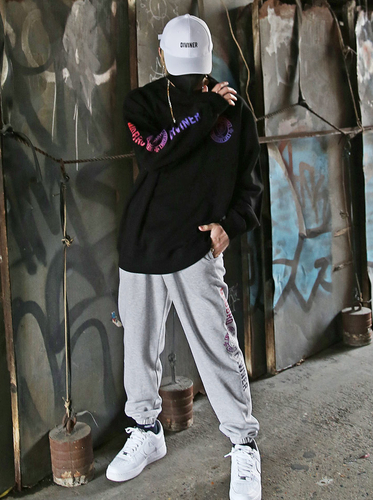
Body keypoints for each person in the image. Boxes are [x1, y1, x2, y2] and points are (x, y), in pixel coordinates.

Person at [106, 14, 263, 500]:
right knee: (139, 344)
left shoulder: (235, 111)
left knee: (217, 345)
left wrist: (231, 225)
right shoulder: (143, 103)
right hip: (142, 244)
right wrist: (204, 107)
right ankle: (146, 430)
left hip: (196, 245)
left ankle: (244, 443)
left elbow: (249, 184)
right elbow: (155, 152)